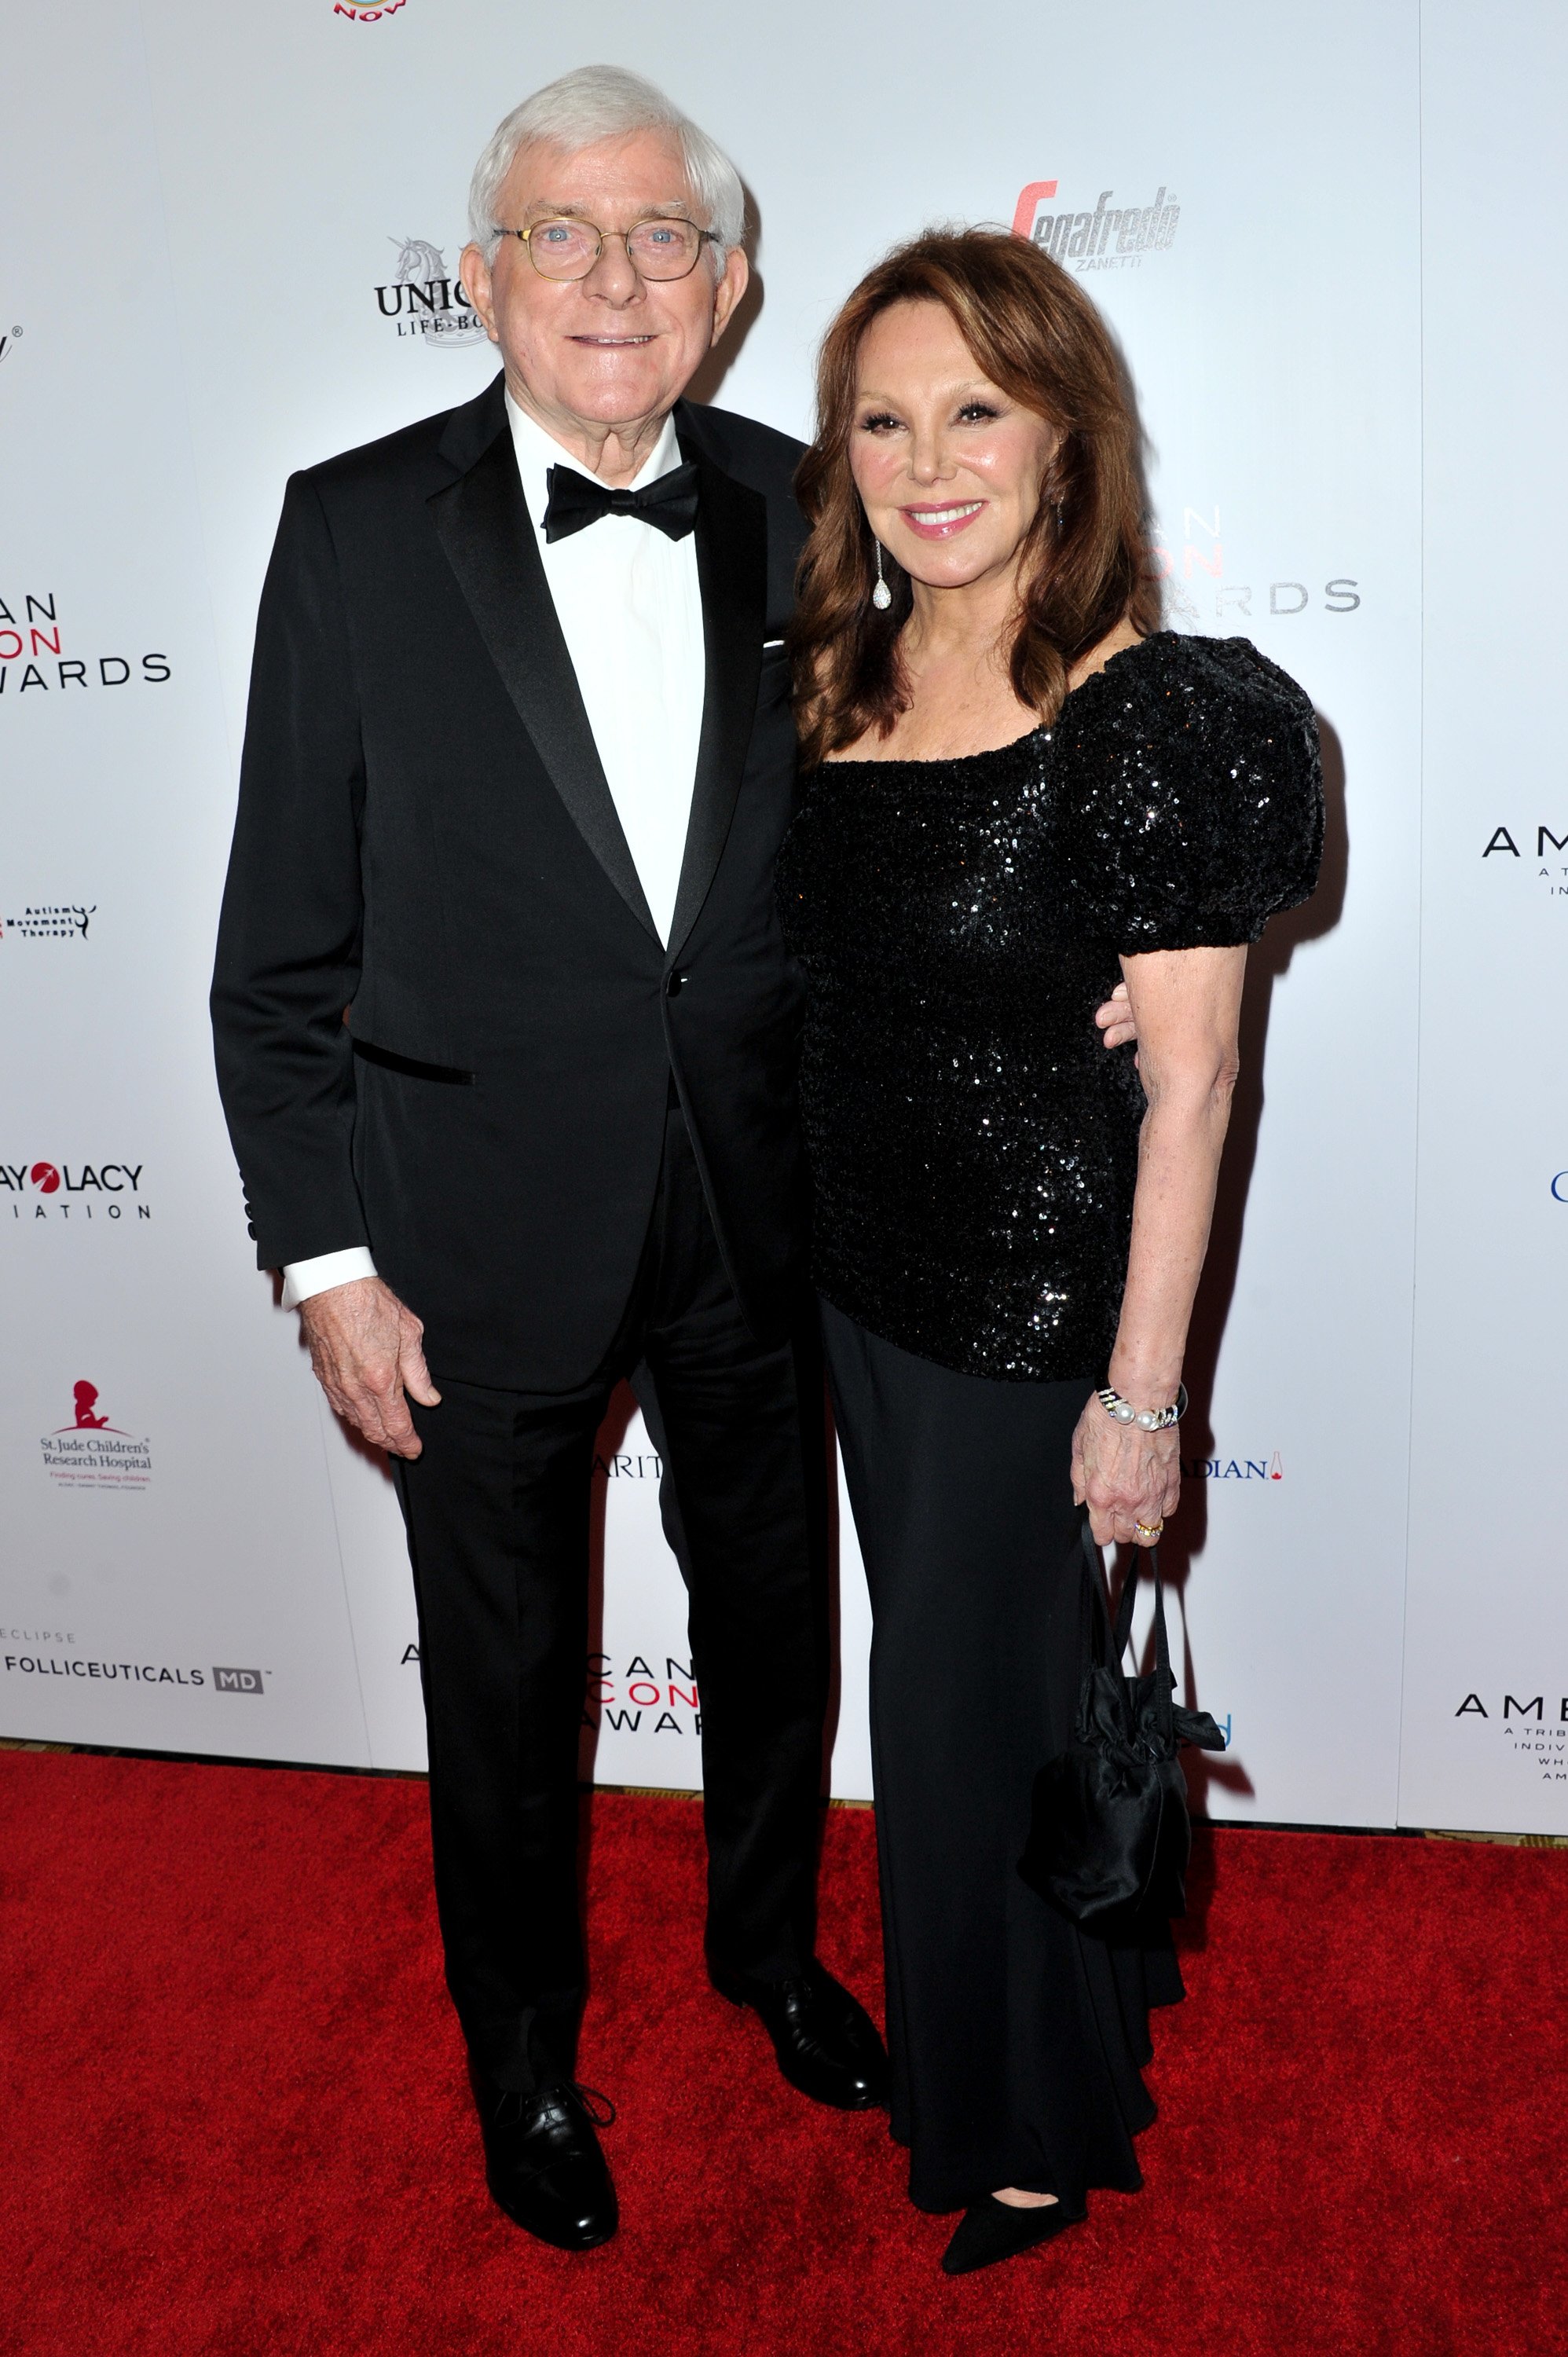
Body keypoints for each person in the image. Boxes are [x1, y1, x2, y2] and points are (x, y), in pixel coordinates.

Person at [210, 66, 902, 2255]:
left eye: (659, 237)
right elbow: (274, 953)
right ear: (482, 273)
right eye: (561, 236)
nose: (614, 280)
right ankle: (521, 2067)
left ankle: (771, 1950)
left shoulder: (815, 511)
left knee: (774, 1619)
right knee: (502, 1685)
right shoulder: (349, 528)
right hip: (468, 1227)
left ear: (727, 278)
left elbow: (881, 872)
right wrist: (325, 1259)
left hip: (762, 1209)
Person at [776, 229, 1322, 2275]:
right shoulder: (831, 673)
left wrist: (1139, 1398)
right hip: (855, 1281)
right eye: (886, 418)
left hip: (1025, 1303)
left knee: (960, 1709)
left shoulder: (1147, 714)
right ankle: (1044, 2040)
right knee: (966, 1692)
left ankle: (1019, 2120)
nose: (929, 461)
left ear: (1062, 434)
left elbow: (1189, 1089)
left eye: (974, 412)